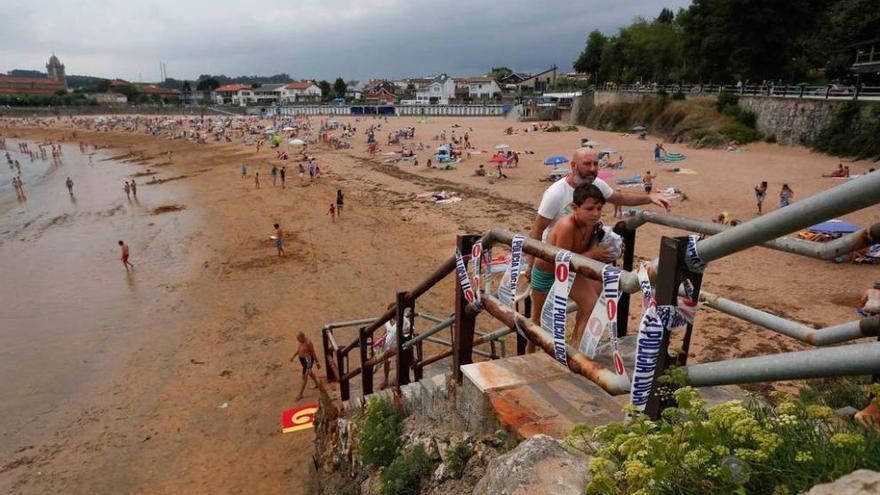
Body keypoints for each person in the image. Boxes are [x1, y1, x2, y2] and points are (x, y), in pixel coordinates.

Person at [529, 183, 607, 351]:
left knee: (592, 303)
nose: (595, 214)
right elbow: (563, 263)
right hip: (548, 272)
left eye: (599, 208)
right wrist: (594, 254)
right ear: (574, 207)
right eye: (590, 209)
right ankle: (528, 354)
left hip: (572, 271)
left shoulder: (592, 224)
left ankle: (576, 348)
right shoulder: (566, 226)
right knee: (538, 319)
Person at [290, 331, 321, 400]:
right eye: (297, 339)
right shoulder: (301, 342)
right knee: (309, 373)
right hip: (302, 360)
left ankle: (301, 394)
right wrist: (293, 356)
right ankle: (318, 384)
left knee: (304, 376)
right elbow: (298, 350)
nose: (298, 340)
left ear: (303, 337)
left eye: (299, 339)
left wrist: (317, 362)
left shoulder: (308, 343)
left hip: (308, 361)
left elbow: (313, 353)